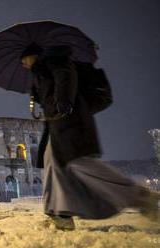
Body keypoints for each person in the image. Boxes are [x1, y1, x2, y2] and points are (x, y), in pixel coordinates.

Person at [20, 43, 160, 231]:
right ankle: (60, 214)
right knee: (53, 163)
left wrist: (63, 100)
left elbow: (65, 75)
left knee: (79, 163)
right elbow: (54, 86)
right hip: (56, 125)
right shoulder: (41, 72)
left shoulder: (54, 60)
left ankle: (140, 197)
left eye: (23, 59)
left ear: (32, 55)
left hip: (70, 122)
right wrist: (39, 94)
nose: (22, 64)